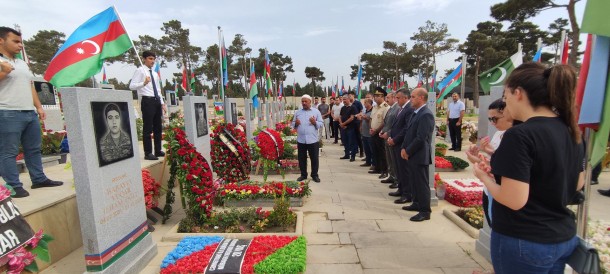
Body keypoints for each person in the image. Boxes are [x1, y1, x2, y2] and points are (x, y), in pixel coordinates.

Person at [473, 63, 584, 273]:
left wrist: (483, 177)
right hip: (562, 236)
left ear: (519, 93)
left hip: (525, 239)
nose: (505, 104)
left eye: (506, 97)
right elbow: (577, 183)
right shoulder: (570, 129)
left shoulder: (520, 135)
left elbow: (514, 200)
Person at [0, 27, 63, 198]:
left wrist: (39, 107)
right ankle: (13, 185)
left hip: (29, 112)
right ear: (1, 40)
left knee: (34, 149)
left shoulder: (21, 63)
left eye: (21, 41)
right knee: (8, 151)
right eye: (15, 41)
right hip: (7, 112)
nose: (20, 45)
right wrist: (4, 72)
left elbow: (30, 86)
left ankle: (39, 179)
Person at [465, 98, 515, 225]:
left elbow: (508, 166)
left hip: (502, 189)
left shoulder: (516, 137)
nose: (492, 123)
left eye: (495, 118)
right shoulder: (498, 134)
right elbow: (492, 162)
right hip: (490, 188)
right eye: (490, 119)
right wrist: (478, 158)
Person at [400, 88, 435, 222]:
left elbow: (421, 138)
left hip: (419, 155)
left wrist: (408, 150)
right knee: (414, 181)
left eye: (413, 97)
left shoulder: (426, 114)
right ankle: (416, 203)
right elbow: (409, 133)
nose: (410, 99)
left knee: (421, 183)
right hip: (411, 153)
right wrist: (404, 148)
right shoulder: (416, 113)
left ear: (421, 98)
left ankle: (425, 211)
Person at [129, 50, 167, 161]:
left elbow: (158, 90)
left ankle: (158, 150)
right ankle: (148, 152)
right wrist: (143, 83)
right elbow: (131, 86)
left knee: (158, 127)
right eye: (150, 58)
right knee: (148, 128)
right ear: (144, 59)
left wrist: (162, 103)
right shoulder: (140, 71)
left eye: (153, 59)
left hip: (156, 101)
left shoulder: (154, 74)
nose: (152, 61)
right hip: (147, 101)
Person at [388, 88, 414, 204]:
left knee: (404, 170)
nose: (396, 100)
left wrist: (395, 139)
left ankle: (407, 194)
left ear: (405, 97)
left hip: (401, 143)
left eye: (398, 98)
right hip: (395, 142)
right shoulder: (401, 108)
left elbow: (406, 128)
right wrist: (390, 137)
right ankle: (401, 188)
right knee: (398, 168)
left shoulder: (409, 109)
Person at [291, 94, 323, 183]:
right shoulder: (298, 112)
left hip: (312, 140)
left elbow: (321, 123)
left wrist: (314, 122)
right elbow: (292, 125)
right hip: (301, 140)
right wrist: (296, 123)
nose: (304, 103)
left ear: (310, 102)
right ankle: (303, 174)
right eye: (302, 101)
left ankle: (314, 175)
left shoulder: (316, 112)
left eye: (306, 101)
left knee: (314, 158)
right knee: (301, 158)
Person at [369, 87, 389, 177]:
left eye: (378, 96)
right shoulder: (375, 107)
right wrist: (371, 128)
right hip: (373, 132)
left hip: (380, 133)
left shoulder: (386, 107)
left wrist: (376, 130)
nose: (376, 98)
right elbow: (371, 119)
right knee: (375, 151)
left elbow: (385, 122)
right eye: (375, 96)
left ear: (383, 97)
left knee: (382, 153)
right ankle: (377, 168)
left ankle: (384, 171)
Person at [380, 92, 398, 182]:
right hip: (386, 136)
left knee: (393, 159)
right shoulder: (391, 108)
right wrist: (383, 131)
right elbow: (386, 122)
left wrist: (388, 133)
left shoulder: (397, 108)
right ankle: (391, 175)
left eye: (388, 98)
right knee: (389, 158)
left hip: (392, 136)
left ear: (394, 98)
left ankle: (395, 178)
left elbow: (395, 124)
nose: (386, 100)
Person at [339, 95, 358, 161]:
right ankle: (346, 154)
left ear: (349, 99)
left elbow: (351, 118)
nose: (344, 101)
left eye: (345, 99)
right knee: (345, 141)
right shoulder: (343, 108)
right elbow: (340, 116)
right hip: (343, 128)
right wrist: (341, 123)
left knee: (351, 142)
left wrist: (343, 124)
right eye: (343, 99)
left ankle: (352, 156)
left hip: (350, 127)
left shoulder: (353, 107)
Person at [357, 98, 374, 167]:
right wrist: (361, 125)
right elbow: (362, 119)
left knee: (371, 149)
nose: (364, 104)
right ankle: (368, 161)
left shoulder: (373, 110)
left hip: (369, 133)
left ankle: (373, 163)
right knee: (366, 148)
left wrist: (365, 117)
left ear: (369, 103)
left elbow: (370, 119)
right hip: (364, 132)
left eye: (365, 103)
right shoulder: (366, 110)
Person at [348, 91, 364, 158]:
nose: (349, 97)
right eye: (348, 96)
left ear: (353, 96)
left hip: (357, 122)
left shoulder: (357, 103)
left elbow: (362, 112)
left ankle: (361, 151)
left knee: (358, 137)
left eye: (350, 96)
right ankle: (354, 151)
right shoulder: (349, 104)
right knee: (352, 138)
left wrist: (356, 115)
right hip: (350, 123)